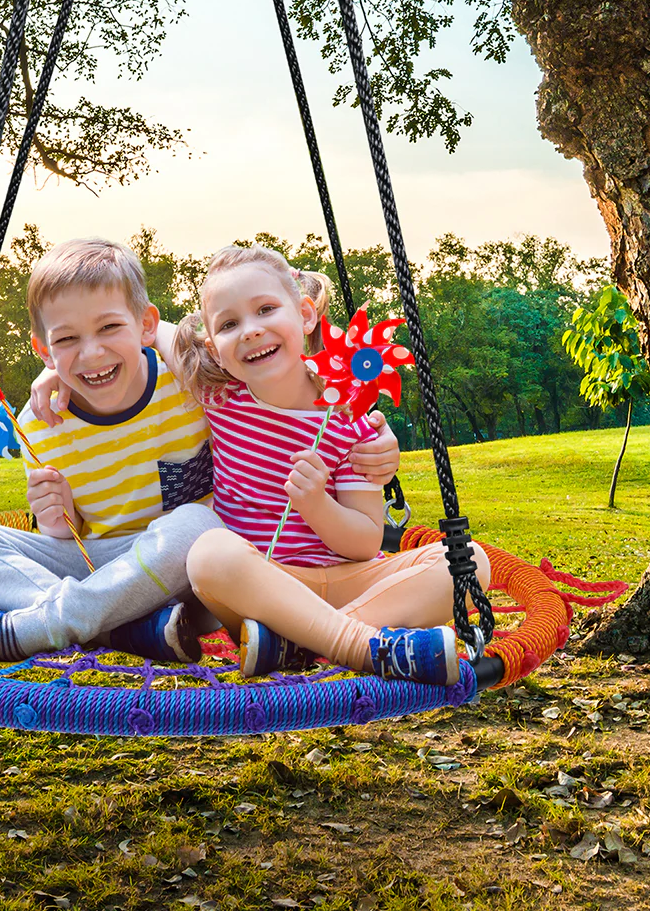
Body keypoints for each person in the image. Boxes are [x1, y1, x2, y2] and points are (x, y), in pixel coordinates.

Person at [0, 238, 400, 667]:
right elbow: (71, 535)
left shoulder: (188, 382)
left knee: (197, 525)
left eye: (108, 329)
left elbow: (291, 391)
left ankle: (31, 629)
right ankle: (115, 630)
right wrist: (57, 518)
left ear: (145, 326)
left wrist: (373, 433)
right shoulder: (39, 422)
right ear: (44, 350)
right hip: (102, 565)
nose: (93, 353)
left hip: (181, 566)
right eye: (68, 340)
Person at [166, 244, 491, 685]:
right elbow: (142, 328)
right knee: (208, 553)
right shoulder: (219, 397)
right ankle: (359, 645)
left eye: (265, 309)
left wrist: (315, 503)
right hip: (262, 586)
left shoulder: (349, 415)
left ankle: (301, 643)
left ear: (304, 315)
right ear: (213, 348)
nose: (250, 330)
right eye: (228, 324)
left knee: (468, 561)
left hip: (348, 579)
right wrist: (53, 371)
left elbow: (362, 542)